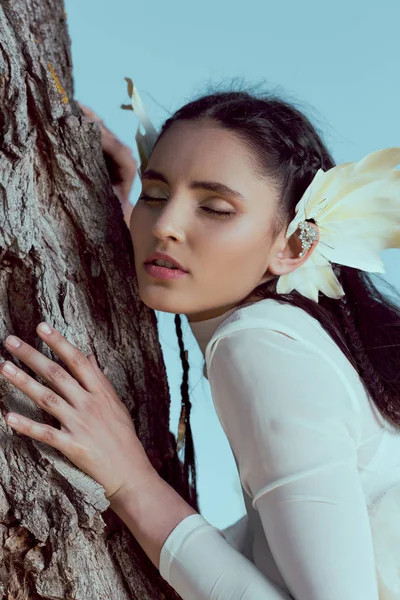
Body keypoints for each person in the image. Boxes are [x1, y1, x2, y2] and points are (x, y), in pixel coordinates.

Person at [1, 85, 400, 600]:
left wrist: (132, 483)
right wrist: (103, 206)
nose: (165, 226)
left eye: (214, 208)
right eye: (157, 194)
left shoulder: (260, 346)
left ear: (297, 244)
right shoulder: (296, 335)